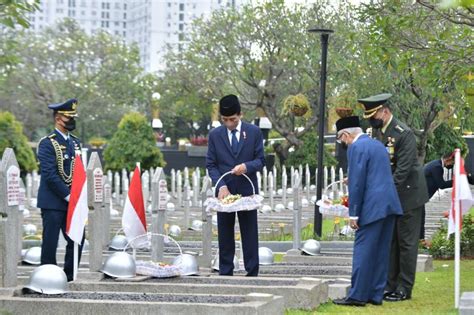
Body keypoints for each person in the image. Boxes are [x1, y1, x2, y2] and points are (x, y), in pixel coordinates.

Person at [359, 93, 429, 302]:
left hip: (408, 194)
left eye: (374, 115)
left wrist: (380, 194)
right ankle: (389, 285)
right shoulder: (375, 132)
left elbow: (403, 170)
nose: (372, 120)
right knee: (390, 241)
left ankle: (404, 288)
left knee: (406, 243)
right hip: (389, 195)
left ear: (385, 111)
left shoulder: (403, 133)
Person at [332, 116, 403, 307]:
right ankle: (375, 294)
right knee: (380, 252)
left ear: (345, 135)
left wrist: (353, 213)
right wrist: (352, 177)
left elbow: (358, 184)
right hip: (389, 204)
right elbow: (374, 172)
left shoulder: (356, 147)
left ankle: (357, 295)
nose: (343, 144)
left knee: (363, 250)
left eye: (341, 140)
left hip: (372, 206)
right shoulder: (377, 145)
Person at [206, 94, 265, 276]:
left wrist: (246, 167)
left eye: (233, 119)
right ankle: (225, 270)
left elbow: (260, 160)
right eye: (225, 120)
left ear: (240, 115)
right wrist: (221, 186)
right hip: (225, 192)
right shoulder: (215, 135)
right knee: (224, 233)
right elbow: (211, 164)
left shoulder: (254, 132)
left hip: (247, 191)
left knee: (249, 232)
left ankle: (252, 270)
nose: (229, 124)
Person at [37, 98, 85, 282]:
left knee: (77, 238)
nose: (72, 121)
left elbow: (78, 172)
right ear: (58, 119)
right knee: (50, 241)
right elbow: (49, 174)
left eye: (73, 117)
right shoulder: (47, 143)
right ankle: (47, 276)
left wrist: (77, 197)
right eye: (68, 118)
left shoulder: (75, 143)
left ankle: (68, 276)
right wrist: (68, 196)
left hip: (73, 202)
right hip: (53, 202)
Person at [421, 152, 474, 239]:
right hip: (419, 197)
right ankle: (420, 240)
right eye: (452, 163)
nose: (452, 165)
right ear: (448, 159)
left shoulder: (436, 164)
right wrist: (457, 180)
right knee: (420, 220)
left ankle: (421, 240)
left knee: (420, 219)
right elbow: (441, 185)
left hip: (420, 196)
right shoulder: (437, 167)